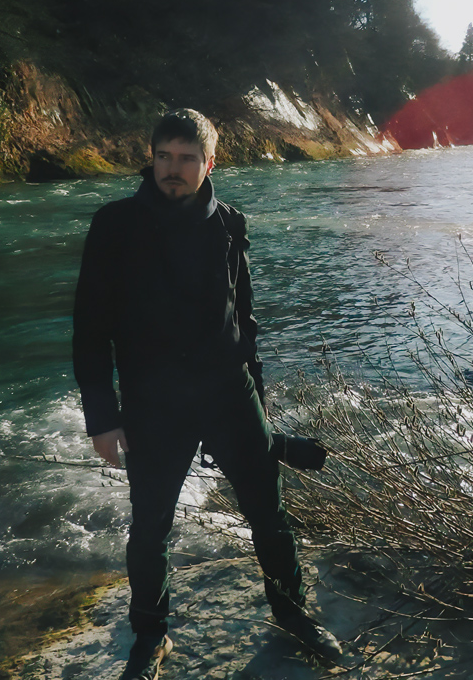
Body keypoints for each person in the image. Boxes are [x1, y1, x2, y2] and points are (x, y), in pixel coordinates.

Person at [73, 109, 341, 680]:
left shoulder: (229, 223)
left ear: (209, 163)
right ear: (151, 158)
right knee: (150, 528)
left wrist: (262, 412)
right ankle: (150, 635)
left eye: (187, 158)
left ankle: (293, 615)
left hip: (229, 390)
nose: (173, 169)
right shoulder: (114, 225)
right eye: (164, 156)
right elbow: (90, 329)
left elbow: (244, 324)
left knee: (269, 515)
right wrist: (102, 417)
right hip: (152, 399)